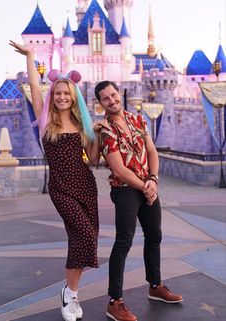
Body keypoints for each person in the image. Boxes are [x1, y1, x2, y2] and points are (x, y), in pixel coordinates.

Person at [10, 40, 104, 321]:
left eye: (67, 93)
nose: (62, 96)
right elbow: (35, 85)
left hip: (86, 186)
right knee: (84, 236)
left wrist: (99, 134)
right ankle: (70, 294)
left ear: (74, 96)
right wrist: (30, 56)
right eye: (58, 92)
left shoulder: (81, 125)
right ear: (53, 94)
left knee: (85, 240)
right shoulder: (45, 119)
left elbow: (95, 160)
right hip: (62, 188)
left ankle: (71, 294)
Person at [94, 80, 183, 321]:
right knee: (123, 241)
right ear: (100, 103)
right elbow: (119, 170)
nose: (112, 100)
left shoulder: (138, 120)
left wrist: (153, 180)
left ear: (119, 94)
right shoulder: (105, 130)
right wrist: (146, 187)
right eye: (106, 98)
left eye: (113, 95)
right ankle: (115, 301)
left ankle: (155, 286)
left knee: (154, 235)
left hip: (147, 186)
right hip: (125, 190)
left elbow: (152, 151)